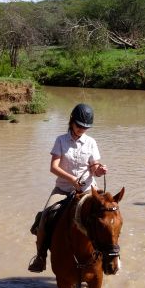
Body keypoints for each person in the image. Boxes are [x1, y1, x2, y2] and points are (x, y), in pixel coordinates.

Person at [28, 103, 108, 272]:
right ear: (71, 121)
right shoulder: (61, 140)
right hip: (63, 189)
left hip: (88, 190)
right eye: (79, 126)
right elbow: (53, 167)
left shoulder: (91, 142)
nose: (81, 129)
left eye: (85, 127)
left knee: (107, 218)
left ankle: (109, 258)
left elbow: (94, 168)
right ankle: (41, 256)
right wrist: (71, 179)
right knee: (46, 216)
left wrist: (99, 171)